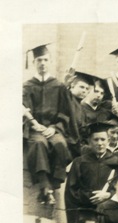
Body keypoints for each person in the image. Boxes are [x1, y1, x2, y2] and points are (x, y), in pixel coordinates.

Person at [23, 43, 74, 205]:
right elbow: (24, 109)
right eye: (39, 60)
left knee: (60, 143)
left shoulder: (58, 86)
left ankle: (53, 185)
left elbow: (65, 111)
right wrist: (34, 125)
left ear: (50, 61)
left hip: (54, 128)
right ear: (33, 63)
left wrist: (54, 128)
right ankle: (45, 187)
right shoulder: (27, 86)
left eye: (45, 59)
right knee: (38, 143)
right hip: (35, 129)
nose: (42, 63)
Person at [64, 122, 118, 223]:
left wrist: (108, 195)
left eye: (103, 139)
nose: (100, 143)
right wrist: (91, 196)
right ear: (89, 141)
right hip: (86, 214)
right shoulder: (79, 162)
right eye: (96, 139)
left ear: (108, 140)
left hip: (108, 214)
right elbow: (71, 191)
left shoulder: (117, 162)